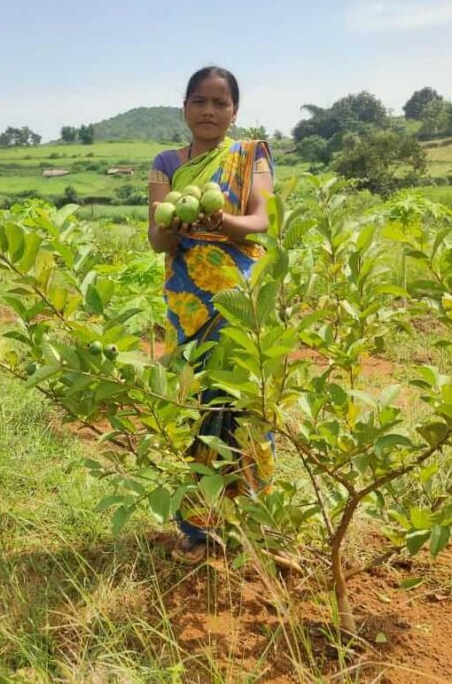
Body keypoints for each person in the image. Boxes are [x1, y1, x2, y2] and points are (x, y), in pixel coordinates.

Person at [147, 66, 277, 566]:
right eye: (199, 101)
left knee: (243, 403)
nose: (208, 111)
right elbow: (156, 236)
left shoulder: (251, 156)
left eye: (220, 103)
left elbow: (262, 219)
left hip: (239, 293)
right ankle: (201, 532)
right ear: (184, 107)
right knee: (205, 405)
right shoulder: (165, 163)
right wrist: (177, 224)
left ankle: (251, 524)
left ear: (234, 112)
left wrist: (220, 221)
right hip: (189, 297)